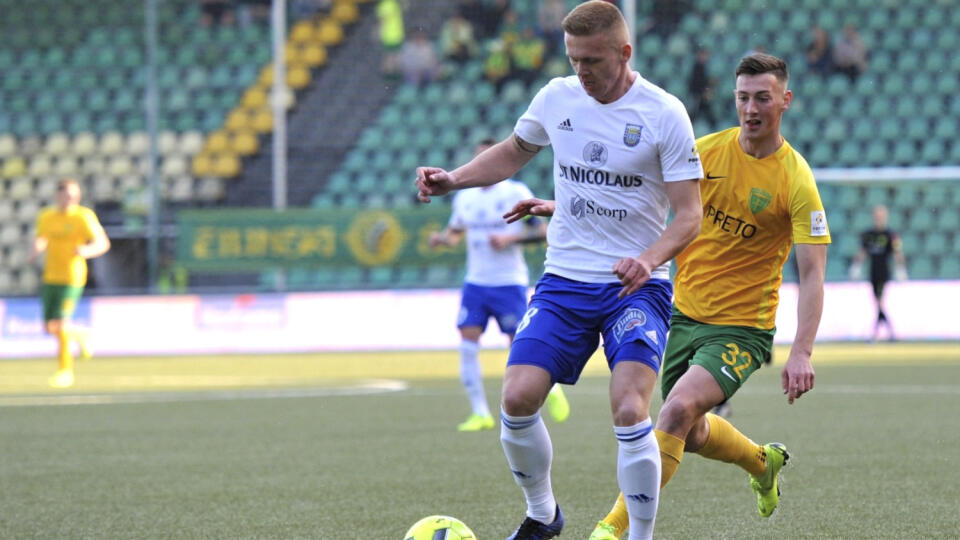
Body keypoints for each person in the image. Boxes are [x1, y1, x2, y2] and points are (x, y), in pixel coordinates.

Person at [415, 2, 704, 538]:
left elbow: (690, 215)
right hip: (565, 279)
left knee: (628, 408)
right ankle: (543, 515)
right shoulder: (556, 97)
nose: (582, 72)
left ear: (625, 53)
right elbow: (510, 153)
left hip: (634, 288)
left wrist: (647, 259)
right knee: (518, 396)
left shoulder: (664, 113)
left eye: (593, 60)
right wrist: (452, 180)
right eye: (573, 60)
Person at [589, 52, 830, 540]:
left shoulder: (796, 180)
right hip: (683, 317)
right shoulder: (707, 154)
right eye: (743, 97)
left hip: (742, 328)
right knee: (693, 432)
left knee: (674, 412)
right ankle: (762, 463)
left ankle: (613, 529)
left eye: (762, 97)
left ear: (785, 100)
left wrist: (801, 350)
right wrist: (565, 206)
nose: (750, 108)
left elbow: (813, 271)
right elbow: (643, 198)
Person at [430, 138, 570, 432]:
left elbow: (543, 231)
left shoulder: (514, 192)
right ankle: (480, 412)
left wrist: (510, 239)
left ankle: (552, 389)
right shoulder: (464, 197)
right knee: (467, 342)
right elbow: (455, 234)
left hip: (508, 283)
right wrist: (441, 240)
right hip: (475, 283)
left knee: (519, 346)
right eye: (479, 158)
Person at [28, 178, 111, 388]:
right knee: (49, 327)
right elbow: (42, 237)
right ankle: (82, 334)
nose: (71, 199)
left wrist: (86, 251)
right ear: (58, 196)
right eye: (67, 195)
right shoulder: (47, 216)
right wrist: (37, 248)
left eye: (74, 195)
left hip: (72, 277)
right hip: (51, 277)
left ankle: (65, 371)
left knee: (62, 325)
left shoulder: (84, 217)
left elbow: (102, 243)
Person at [849, 204, 907, 342]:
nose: (879, 219)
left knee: (879, 302)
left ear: (886, 217)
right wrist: (856, 266)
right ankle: (889, 333)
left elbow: (897, 253)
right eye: (877, 216)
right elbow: (863, 252)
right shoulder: (868, 235)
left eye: (881, 216)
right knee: (878, 303)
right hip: (872, 272)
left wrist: (901, 269)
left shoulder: (890, 235)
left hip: (883, 272)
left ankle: (878, 333)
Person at [687, 47, 717, 128]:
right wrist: (703, 91)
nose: (706, 57)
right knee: (696, 112)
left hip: (701, 94)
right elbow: (697, 82)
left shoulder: (702, 66)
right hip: (698, 94)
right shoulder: (697, 67)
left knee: (700, 111)